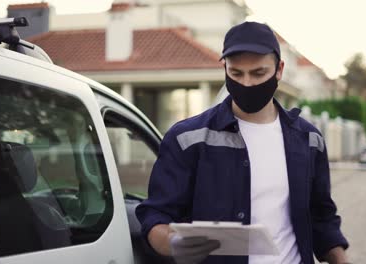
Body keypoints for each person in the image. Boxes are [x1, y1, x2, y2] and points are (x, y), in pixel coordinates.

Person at [136, 21, 349, 264]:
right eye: (236, 73)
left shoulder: (309, 140)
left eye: (258, 73)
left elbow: (322, 217)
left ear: (279, 70)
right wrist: (172, 243)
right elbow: (155, 215)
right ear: (224, 68)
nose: (247, 83)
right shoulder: (187, 139)